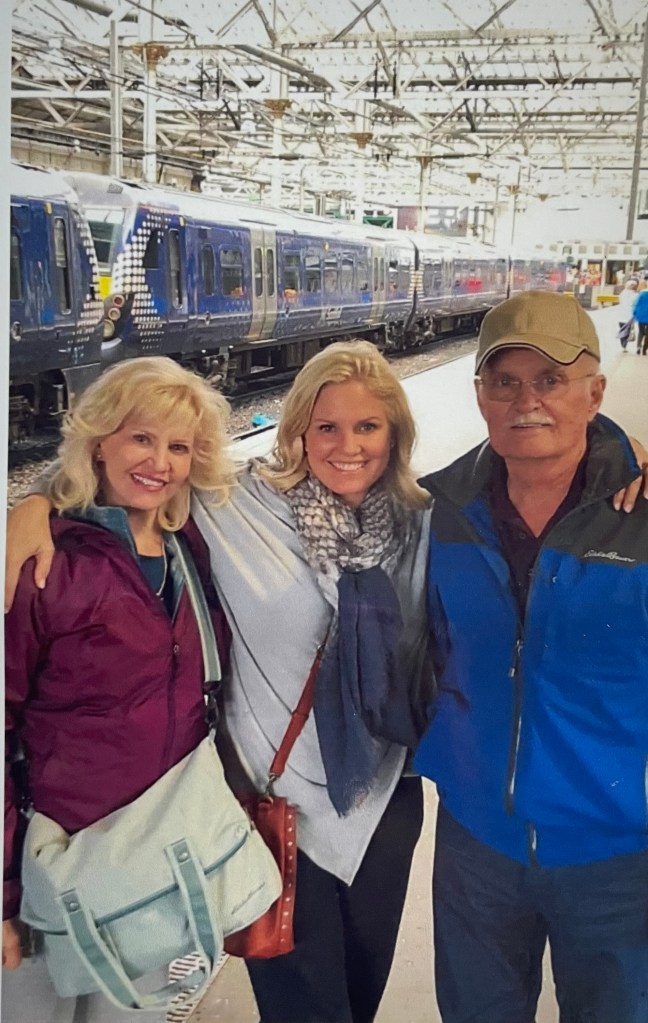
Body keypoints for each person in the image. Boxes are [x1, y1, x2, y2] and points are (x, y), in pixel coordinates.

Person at [4, 341, 432, 1023]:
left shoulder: (422, 520)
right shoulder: (237, 507)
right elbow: (125, 462)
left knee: (359, 999)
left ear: (395, 434)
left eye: (368, 426)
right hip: (272, 810)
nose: (347, 445)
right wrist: (35, 500)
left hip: (383, 804)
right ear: (297, 430)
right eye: (326, 426)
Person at [414, 291, 648, 1023]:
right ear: (480, 394)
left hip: (616, 852)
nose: (527, 400)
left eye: (550, 379)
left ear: (594, 392)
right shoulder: (437, 511)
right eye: (505, 381)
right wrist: (47, 504)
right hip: (478, 841)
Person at [3, 357, 234, 1023]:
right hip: (49, 866)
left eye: (179, 445)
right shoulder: (44, 562)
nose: (159, 461)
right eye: (141, 437)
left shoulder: (191, 546)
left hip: (154, 866)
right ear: (100, 439)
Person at [616, 277, 638, 350]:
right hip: (629, 315)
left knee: (622, 328)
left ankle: (623, 342)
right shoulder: (635, 295)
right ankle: (624, 344)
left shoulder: (622, 293)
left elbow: (620, 301)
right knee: (627, 330)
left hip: (621, 314)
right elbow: (635, 304)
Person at [632, 283, 648, 355]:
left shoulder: (641, 294)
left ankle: (638, 347)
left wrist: (634, 312)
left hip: (641, 315)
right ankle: (645, 349)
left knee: (641, 332)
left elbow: (636, 304)